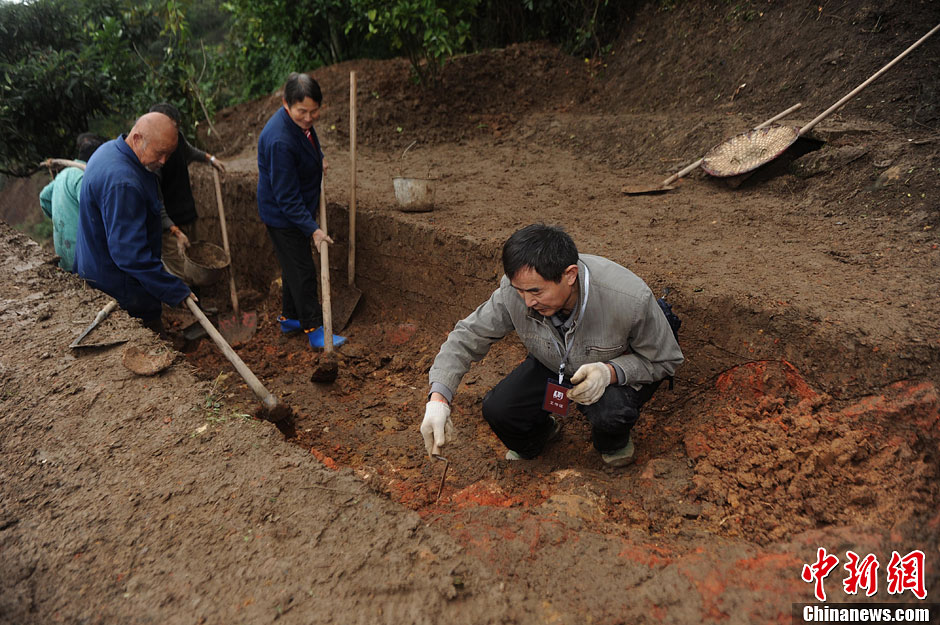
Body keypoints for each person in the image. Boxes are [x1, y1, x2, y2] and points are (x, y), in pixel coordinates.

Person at [420, 224, 684, 467]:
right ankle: (542, 433)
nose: (527, 302)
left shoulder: (629, 298)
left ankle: (612, 442)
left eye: (536, 291)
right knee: (499, 409)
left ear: (569, 275)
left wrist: (609, 373)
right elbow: (466, 336)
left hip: (613, 365)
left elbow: (665, 359)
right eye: (520, 291)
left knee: (612, 412)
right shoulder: (514, 292)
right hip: (553, 362)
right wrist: (438, 399)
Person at [75, 113, 195, 333]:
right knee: (152, 346)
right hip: (121, 293)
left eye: (168, 154)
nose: (163, 162)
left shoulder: (110, 150)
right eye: (160, 153)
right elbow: (129, 255)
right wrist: (174, 290)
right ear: (137, 138)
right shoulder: (123, 183)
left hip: (97, 272)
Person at [257, 72, 346, 349]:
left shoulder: (299, 123)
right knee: (303, 270)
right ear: (286, 104)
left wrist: (317, 158)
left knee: (292, 267)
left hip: (294, 208)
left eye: (314, 111)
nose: (309, 118)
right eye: (302, 112)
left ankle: (290, 317)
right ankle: (315, 329)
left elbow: (308, 137)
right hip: (284, 216)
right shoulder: (280, 141)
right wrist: (314, 230)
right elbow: (287, 199)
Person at [147, 102, 226, 281]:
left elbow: (189, 151)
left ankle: (198, 304)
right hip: (169, 226)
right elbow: (156, 202)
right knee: (179, 270)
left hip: (187, 214)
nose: (174, 132)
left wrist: (210, 159)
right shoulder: (152, 160)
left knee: (194, 262)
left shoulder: (177, 138)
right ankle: (185, 307)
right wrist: (174, 230)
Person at [38, 133, 106, 272]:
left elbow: (44, 197)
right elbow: (92, 212)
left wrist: (61, 218)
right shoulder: (85, 177)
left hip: (63, 253)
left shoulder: (64, 173)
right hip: (82, 256)